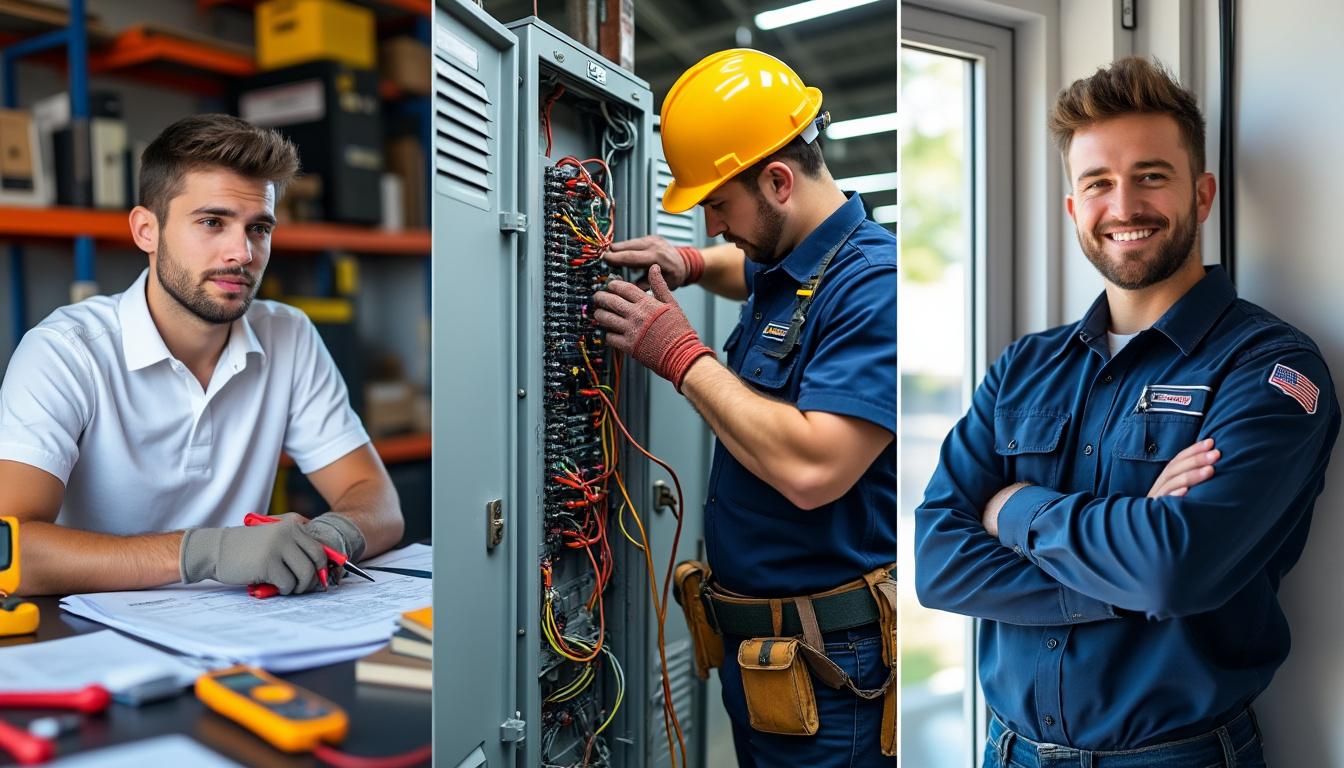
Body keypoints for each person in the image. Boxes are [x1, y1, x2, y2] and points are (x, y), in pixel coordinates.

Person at [915, 57, 1339, 766]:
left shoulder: (1274, 368)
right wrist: (1129, 562)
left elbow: (1174, 569)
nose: (1124, 206)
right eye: (1098, 183)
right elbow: (936, 562)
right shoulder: (1024, 367)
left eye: (1150, 176)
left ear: (1200, 195)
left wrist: (1012, 510)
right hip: (1008, 751)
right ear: (1074, 208)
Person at [590, 49, 897, 766]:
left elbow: (814, 467)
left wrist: (681, 357)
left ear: (778, 181)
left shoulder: (872, 284)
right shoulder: (798, 257)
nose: (714, 226)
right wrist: (688, 264)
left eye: (719, 207)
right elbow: (747, 266)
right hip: (765, 657)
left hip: (834, 674)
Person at [0, 114, 404, 597]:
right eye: (213, 222)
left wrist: (326, 539)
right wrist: (207, 552)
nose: (242, 252)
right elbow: (12, 547)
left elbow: (377, 501)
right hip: (91, 634)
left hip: (243, 627)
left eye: (258, 228)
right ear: (146, 230)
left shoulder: (288, 335)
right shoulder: (65, 352)